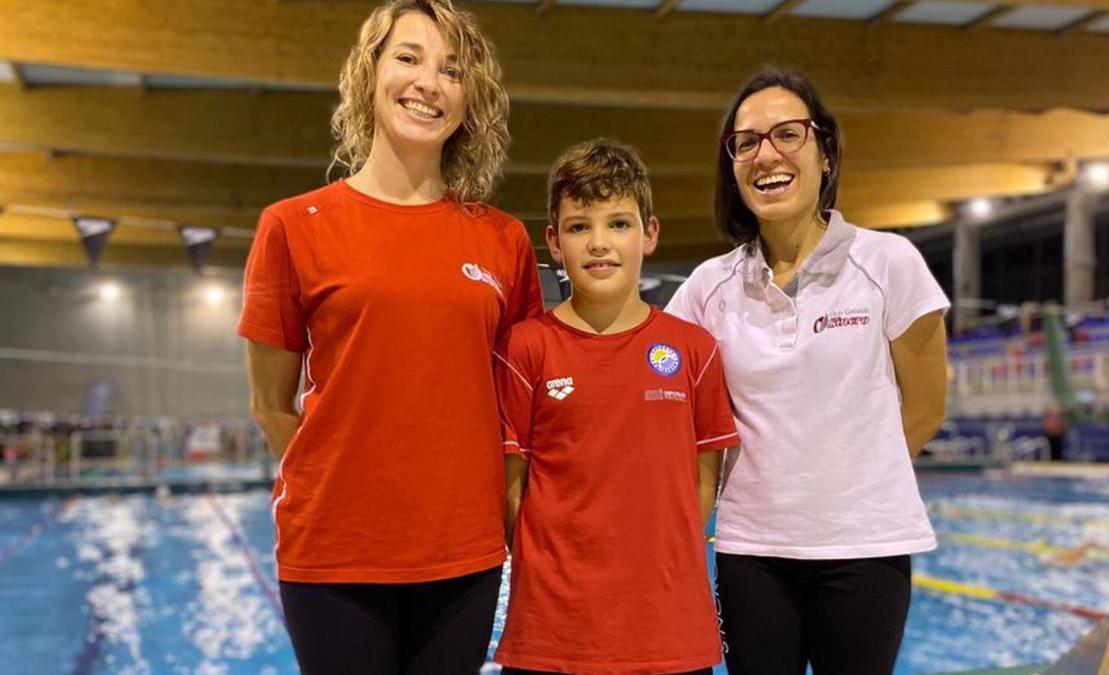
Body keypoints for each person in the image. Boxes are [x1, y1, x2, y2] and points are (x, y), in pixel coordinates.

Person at [238, 1, 542, 672]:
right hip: (334, 554)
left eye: (453, 70)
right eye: (408, 57)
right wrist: (348, 490)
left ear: (470, 99)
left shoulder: (502, 239)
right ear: (369, 73)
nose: (429, 83)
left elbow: (518, 405)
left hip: (462, 551)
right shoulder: (294, 227)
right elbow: (270, 404)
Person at [665, 67, 949, 674]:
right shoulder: (708, 288)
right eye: (746, 143)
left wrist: (845, 484)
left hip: (866, 549)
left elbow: (926, 408)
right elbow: (655, 382)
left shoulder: (888, 262)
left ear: (825, 151)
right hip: (752, 551)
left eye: (787, 134)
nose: (766, 154)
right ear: (733, 167)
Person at [493, 139, 739, 675]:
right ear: (555, 243)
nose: (600, 243)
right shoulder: (524, 349)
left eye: (619, 224)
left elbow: (705, 481)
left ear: (649, 234)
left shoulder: (693, 350)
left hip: (669, 632)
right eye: (580, 227)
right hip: (553, 636)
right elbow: (511, 489)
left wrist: (653, 555)